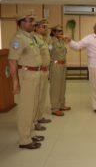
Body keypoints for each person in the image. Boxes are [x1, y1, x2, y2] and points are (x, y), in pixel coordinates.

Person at [8, 12, 44, 149]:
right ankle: (24, 140)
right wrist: (15, 83)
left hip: (35, 75)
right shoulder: (18, 39)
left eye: (33, 21)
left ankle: (31, 133)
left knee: (33, 106)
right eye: (29, 21)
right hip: (26, 76)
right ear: (20, 23)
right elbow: (12, 61)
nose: (33, 23)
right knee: (25, 109)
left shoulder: (31, 38)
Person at [67, 21, 96, 115]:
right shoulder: (89, 38)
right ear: (94, 29)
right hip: (94, 66)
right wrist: (70, 41)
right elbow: (77, 46)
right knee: (95, 87)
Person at [33, 19, 52, 131]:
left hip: (45, 70)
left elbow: (48, 42)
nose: (44, 29)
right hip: (38, 71)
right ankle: (34, 121)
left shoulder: (43, 39)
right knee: (37, 97)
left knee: (42, 97)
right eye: (41, 26)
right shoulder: (34, 39)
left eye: (45, 27)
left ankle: (39, 117)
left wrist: (47, 30)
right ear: (35, 27)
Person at [49, 25, 71, 116]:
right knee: (55, 87)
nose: (60, 33)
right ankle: (55, 108)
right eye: (58, 31)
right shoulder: (50, 41)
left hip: (63, 65)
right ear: (53, 32)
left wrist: (64, 37)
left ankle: (61, 104)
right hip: (55, 65)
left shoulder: (61, 41)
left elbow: (69, 39)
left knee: (62, 86)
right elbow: (48, 52)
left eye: (61, 31)